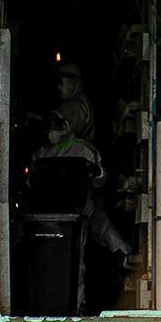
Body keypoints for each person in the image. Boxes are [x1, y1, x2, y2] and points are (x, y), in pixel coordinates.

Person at [31, 99, 132, 260]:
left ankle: (126, 256)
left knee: (77, 256)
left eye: (55, 126)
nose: (52, 133)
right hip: (50, 216)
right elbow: (33, 184)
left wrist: (95, 173)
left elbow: (100, 179)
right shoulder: (40, 154)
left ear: (65, 125)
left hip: (80, 212)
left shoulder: (83, 149)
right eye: (49, 128)